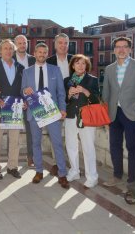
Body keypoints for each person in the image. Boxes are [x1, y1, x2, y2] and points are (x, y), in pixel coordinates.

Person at [102, 37, 135, 190]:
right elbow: (106, 92)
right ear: (114, 50)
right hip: (114, 113)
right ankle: (117, 176)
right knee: (114, 146)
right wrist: (105, 112)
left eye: (125, 47)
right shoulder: (109, 69)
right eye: (118, 47)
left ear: (130, 49)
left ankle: (132, 180)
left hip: (132, 113)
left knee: (132, 146)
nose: (121, 50)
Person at [21, 42, 69, 189]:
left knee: (57, 144)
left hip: (52, 112)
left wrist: (62, 108)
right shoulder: (27, 72)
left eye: (44, 52)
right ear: (34, 53)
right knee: (36, 143)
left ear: (47, 54)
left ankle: (62, 174)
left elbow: (61, 92)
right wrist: (25, 92)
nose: (41, 54)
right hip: (34, 112)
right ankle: (39, 171)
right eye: (39, 52)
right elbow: (22, 91)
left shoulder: (55, 70)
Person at [64, 54, 100, 188]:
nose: (80, 66)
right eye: (77, 63)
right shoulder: (67, 80)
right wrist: (68, 94)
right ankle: (74, 171)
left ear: (87, 66)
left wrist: (85, 91)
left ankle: (92, 176)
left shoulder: (92, 80)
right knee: (71, 145)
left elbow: (97, 99)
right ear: (73, 66)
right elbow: (64, 101)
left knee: (88, 147)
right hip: (71, 116)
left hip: (86, 117)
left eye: (83, 63)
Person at [0, 39, 25, 179]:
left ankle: (12, 167)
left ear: (14, 51)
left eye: (10, 49)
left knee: (15, 140)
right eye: (5, 48)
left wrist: (24, 101)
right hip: (0, 108)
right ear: (0, 51)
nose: (8, 51)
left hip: (16, 109)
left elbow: (23, 88)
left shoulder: (21, 68)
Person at [45, 33, 73, 176]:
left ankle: (73, 165)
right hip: (53, 104)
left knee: (72, 136)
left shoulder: (75, 60)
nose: (63, 45)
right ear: (55, 45)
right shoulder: (48, 61)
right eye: (60, 43)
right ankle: (57, 163)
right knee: (55, 136)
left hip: (72, 104)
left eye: (65, 43)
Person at [13, 34, 36, 168]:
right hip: (14, 101)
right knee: (12, 132)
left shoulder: (33, 60)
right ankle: (12, 160)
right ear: (15, 45)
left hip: (31, 101)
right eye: (20, 43)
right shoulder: (10, 60)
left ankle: (30, 157)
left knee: (31, 132)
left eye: (24, 43)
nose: (22, 45)